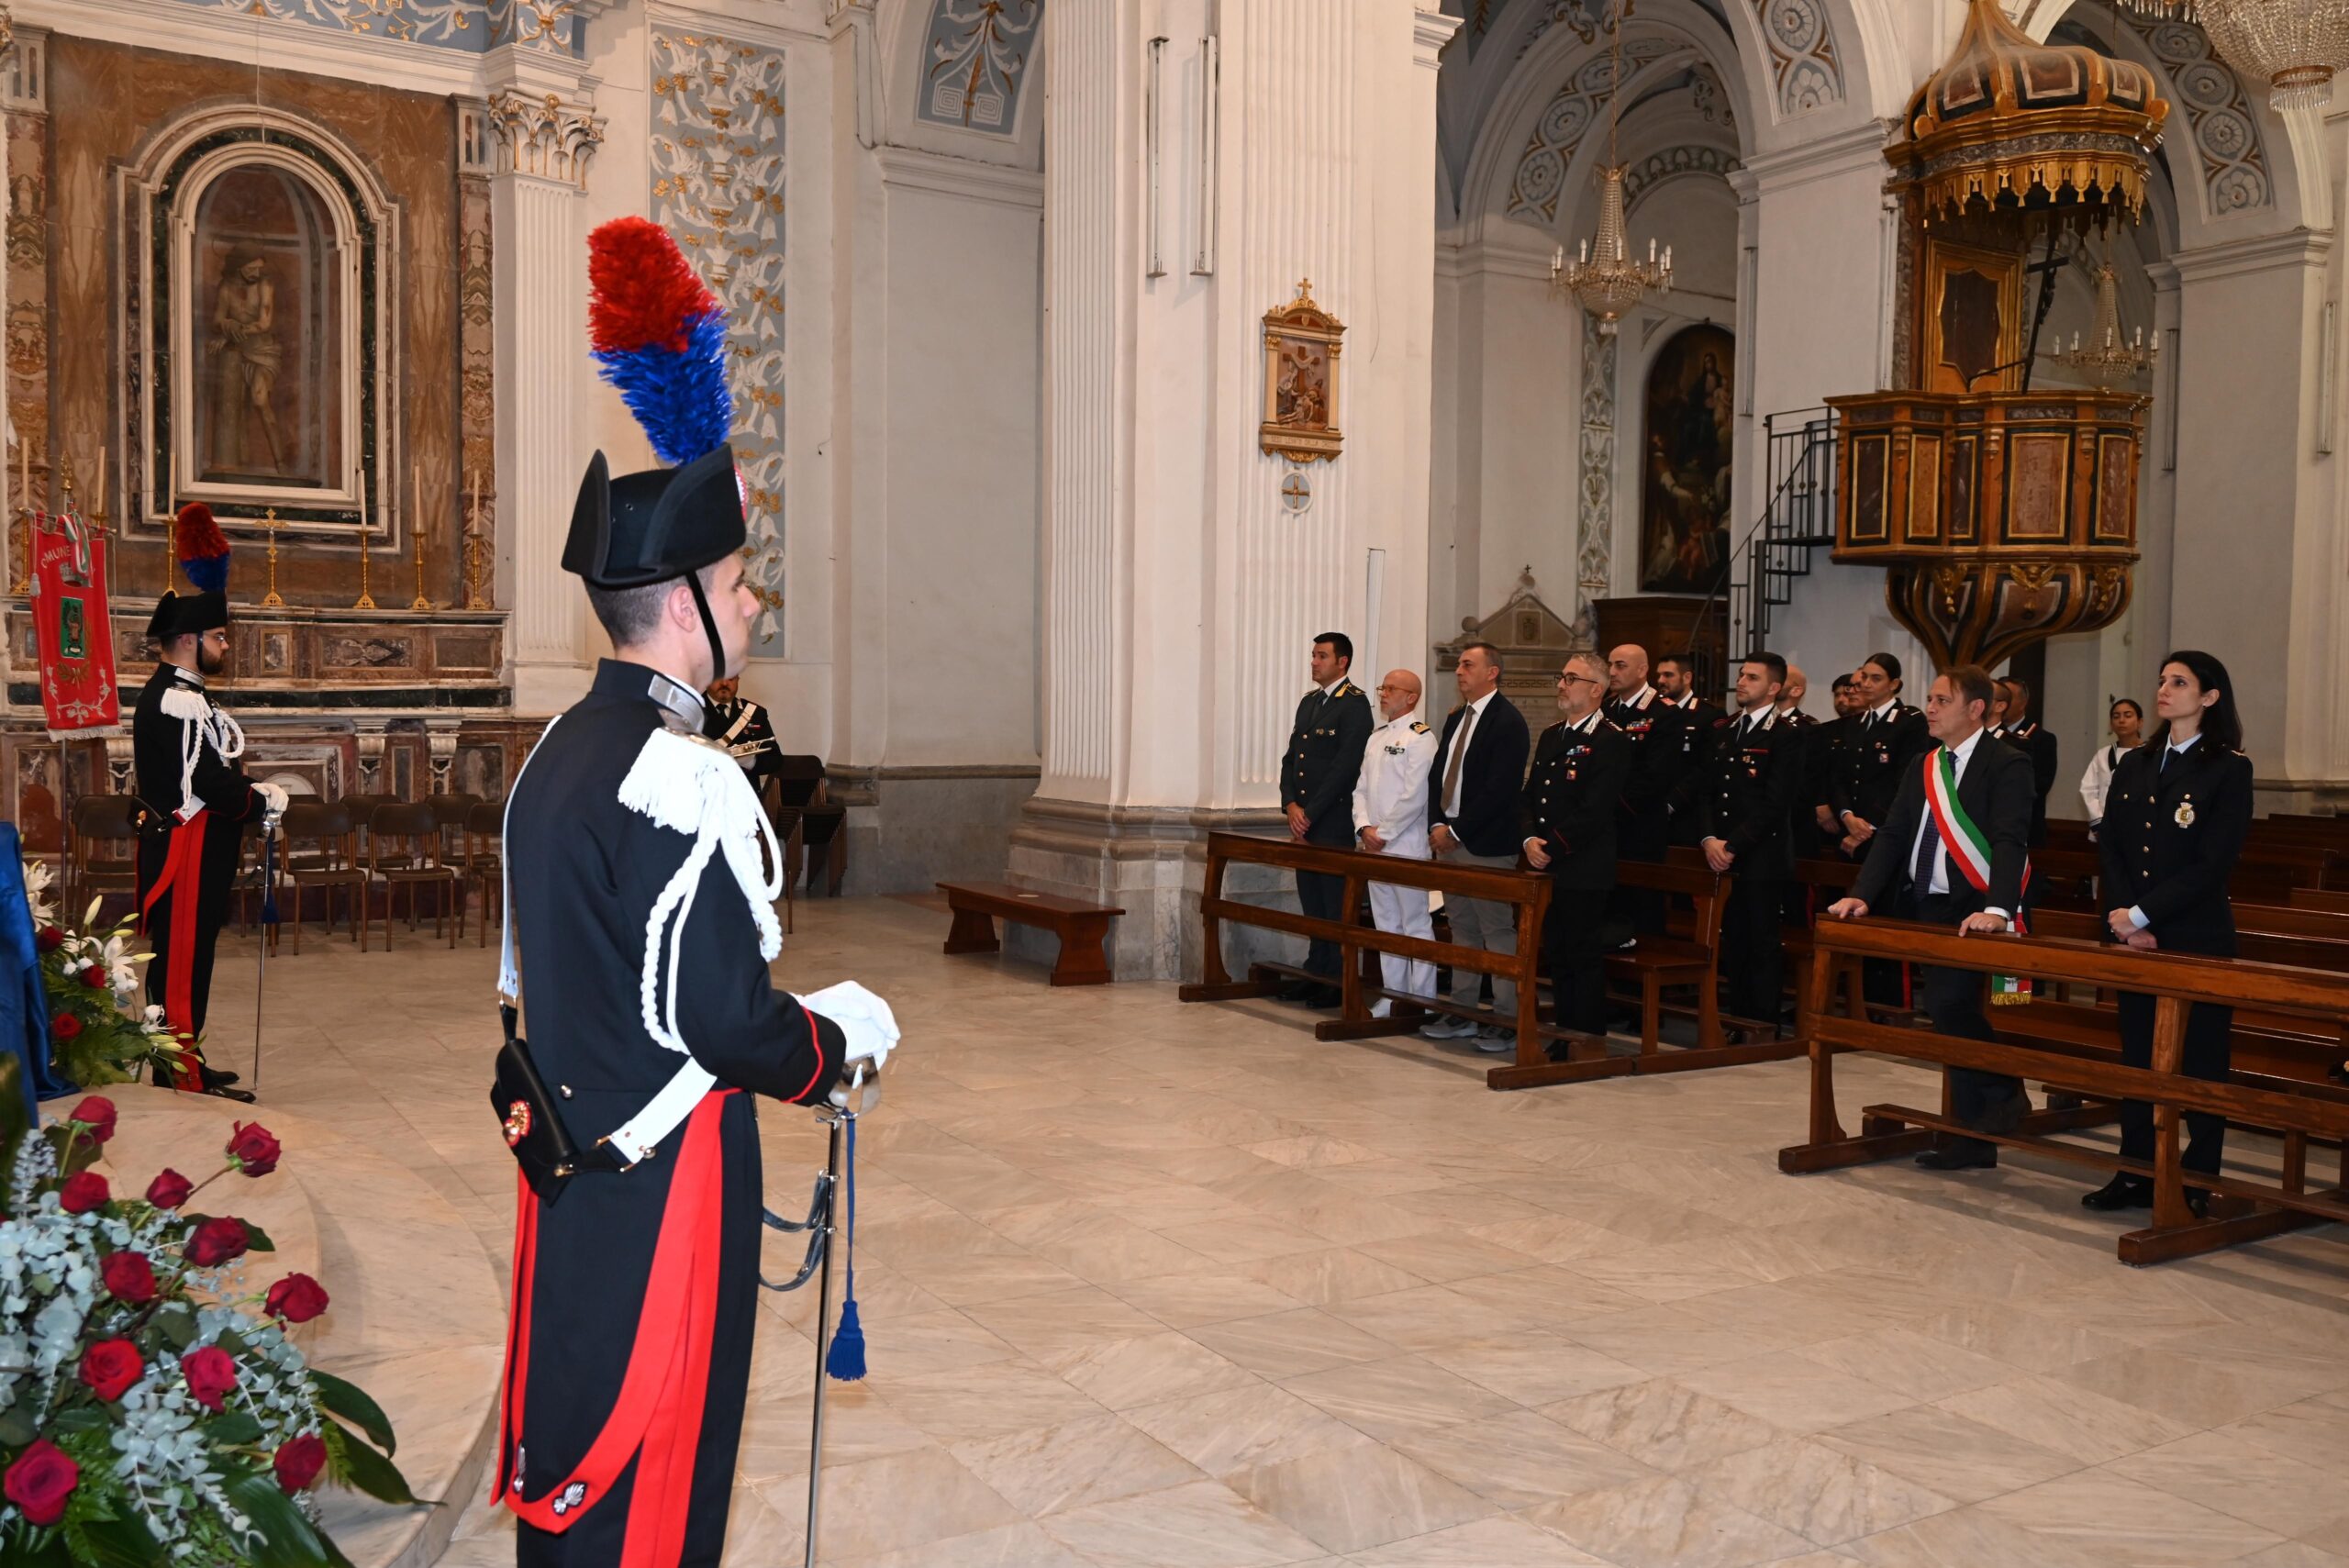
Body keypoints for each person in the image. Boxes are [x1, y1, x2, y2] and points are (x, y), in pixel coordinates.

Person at [496, 216, 896, 1566]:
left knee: (581, 1430)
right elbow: (726, 1022)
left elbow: (568, 972)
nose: (756, 603)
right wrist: (838, 1041)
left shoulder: (559, 749)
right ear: (680, 604)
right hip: (668, 1178)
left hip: (571, 1163)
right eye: (737, 581)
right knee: (664, 1450)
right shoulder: (688, 778)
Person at [1828, 665, 2035, 1169]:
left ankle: (2004, 1091)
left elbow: (2010, 839)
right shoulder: (1925, 764)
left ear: (1976, 709)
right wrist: (1862, 895)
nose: (1932, 708)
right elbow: (1895, 835)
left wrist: (1998, 909)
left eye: (1942, 700)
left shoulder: (2009, 762)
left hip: (1978, 908)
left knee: (1951, 1007)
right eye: (1931, 699)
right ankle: (1974, 1134)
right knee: (1947, 1014)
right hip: (1927, 903)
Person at [2082, 652, 2253, 1218]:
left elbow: (2212, 863)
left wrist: (2143, 915)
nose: (2164, 690)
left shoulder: (2228, 768)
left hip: (2197, 937)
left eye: (2179, 682)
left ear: (2209, 697)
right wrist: (2126, 920)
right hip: (2135, 936)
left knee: (2201, 1062)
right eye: (2161, 680)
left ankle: (2198, 1178)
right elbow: (2112, 844)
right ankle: (2133, 1171)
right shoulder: (2136, 761)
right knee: (2138, 1059)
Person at [134, 505, 281, 1101]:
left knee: (193, 958)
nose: (225, 645)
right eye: (219, 637)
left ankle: (184, 1056)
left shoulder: (188, 694)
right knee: (179, 960)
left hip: (200, 848)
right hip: (184, 849)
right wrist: (260, 801)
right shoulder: (174, 698)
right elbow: (207, 784)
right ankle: (178, 1069)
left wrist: (246, 799)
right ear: (191, 641)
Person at [1420, 641, 1531, 1045]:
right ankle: (1462, 1012)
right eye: (1459, 665)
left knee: (1496, 931)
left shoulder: (1508, 722)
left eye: (1468, 665)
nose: (1460, 671)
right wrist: (1436, 822)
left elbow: (1499, 791)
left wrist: (1457, 831)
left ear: (1492, 672)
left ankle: (1506, 1018)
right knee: (1462, 927)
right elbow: (1439, 775)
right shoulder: (1456, 718)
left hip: (1484, 844)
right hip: (1448, 837)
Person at [1521, 652, 1631, 1047]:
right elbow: (1532, 795)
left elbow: (1595, 809)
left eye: (1572, 678)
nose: (1562, 685)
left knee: (1582, 955)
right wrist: (1529, 838)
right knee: (1558, 953)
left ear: (1596, 690)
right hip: (1547, 863)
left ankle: (1586, 1038)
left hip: (1583, 866)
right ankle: (1563, 1033)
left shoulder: (1610, 740)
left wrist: (1551, 846)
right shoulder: (1553, 735)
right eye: (1562, 676)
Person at [1697, 654, 1798, 1031]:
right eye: (1741, 674)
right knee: (1734, 941)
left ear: (1774, 688)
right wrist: (1709, 839)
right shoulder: (1725, 729)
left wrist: (1733, 845)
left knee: (1760, 943)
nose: (1741, 682)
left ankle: (1762, 1024)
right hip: (1721, 854)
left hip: (1760, 856)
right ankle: (1737, 1018)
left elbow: (1775, 803)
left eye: (1752, 677)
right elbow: (1706, 792)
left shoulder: (1786, 735)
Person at [1279, 633, 1374, 1006]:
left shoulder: (1355, 704)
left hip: (1331, 822)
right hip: (1304, 822)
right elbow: (1292, 758)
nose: (1314, 662)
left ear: (1342, 662)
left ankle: (1334, 980)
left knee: (1333, 906)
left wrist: (1310, 812)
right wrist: (1290, 804)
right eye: (1313, 655)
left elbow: (1345, 767)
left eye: (1322, 656)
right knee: (1312, 904)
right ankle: (1315, 970)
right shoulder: (1310, 703)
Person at [1353, 671, 1440, 1018]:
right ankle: (1393, 995)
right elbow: (1360, 790)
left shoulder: (1421, 738)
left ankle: (1424, 1000)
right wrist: (1363, 828)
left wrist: (1383, 833)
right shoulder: (1376, 738)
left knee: (1415, 924)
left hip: (1405, 846)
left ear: (1411, 697)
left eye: (1391, 689)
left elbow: (1414, 796)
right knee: (1386, 924)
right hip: (1375, 846)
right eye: (1382, 688)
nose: (1383, 694)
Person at [1602, 643, 1688, 941]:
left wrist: (1607, 808)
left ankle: (1640, 987)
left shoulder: (1664, 713)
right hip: (1604, 832)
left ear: (1642, 670)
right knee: (1606, 911)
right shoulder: (1605, 708)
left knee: (1640, 913)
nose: (1612, 672)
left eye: (1621, 665)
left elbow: (1655, 777)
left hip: (1640, 829)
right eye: (1610, 665)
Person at [1998, 677, 2059, 850]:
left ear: (2023, 703)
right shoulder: (1987, 735)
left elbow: (2040, 785)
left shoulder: (2041, 739)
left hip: (2025, 828)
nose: (2003, 704)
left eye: (2008, 698)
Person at [2077, 696, 2144, 838]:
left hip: (2140, 826)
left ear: (2140, 722)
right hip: (2107, 825)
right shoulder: (2103, 755)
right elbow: (2088, 789)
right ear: (2111, 724)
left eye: (2128, 715)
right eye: (2116, 716)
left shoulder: (2152, 754)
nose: (2121, 720)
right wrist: (2099, 822)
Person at [703, 674, 780, 793]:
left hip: (744, 796)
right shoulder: (689, 709)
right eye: (718, 678)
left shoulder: (755, 713)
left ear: (738, 679)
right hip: (704, 795)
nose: (724, 683)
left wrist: (751, 762)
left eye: (731, 678)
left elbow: (776, 760)